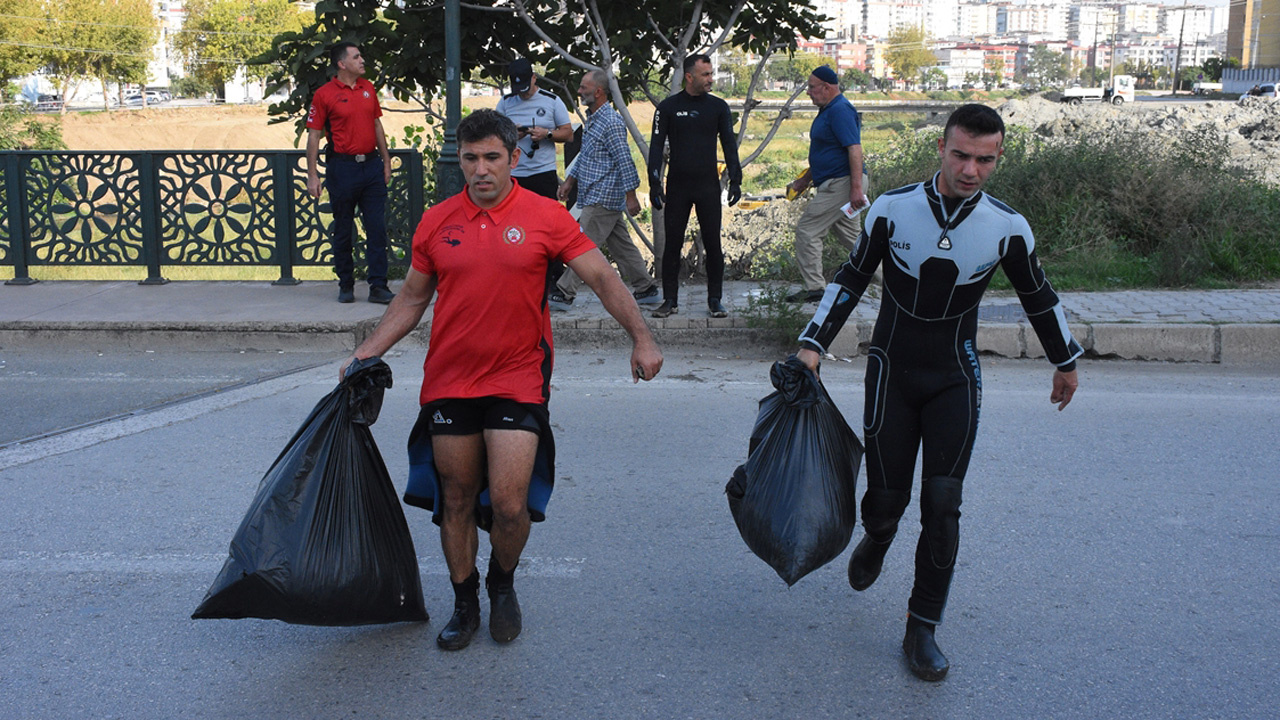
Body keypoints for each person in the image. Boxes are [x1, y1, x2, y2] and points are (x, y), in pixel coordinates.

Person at [340, 109, 663, 651]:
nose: (481, 170)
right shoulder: (438, 221)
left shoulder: (547, 217)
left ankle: (502, 583)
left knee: (510, 503)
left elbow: (603, 278)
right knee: (457, 495)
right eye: (470, 158)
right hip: (450, 379)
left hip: (518, 376)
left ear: (515, 158)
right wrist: (365, 352)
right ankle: (464, 602)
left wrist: (643, 337)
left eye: (492, 157)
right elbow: (413, 298)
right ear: (461, 161)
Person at [794, 104, 1082, 682]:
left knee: (943, 506)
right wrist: (812, 345)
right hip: (891, 374)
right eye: (961, 155)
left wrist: (1065, 361)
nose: (971, 169)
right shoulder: (893, 209)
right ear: (942, 149)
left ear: (997, 158)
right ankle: (877, 536)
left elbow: (1038, 296)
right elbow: (850, 279)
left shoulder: (1008, 226)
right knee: (887, 501)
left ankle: (921, 626)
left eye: (985, 159)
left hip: (955, 376)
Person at [549, 69, 660, 310]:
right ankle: (646, 288)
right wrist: (569, 182)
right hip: (594, 194)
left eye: (583, 88)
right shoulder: (594, 119)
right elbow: (587, 157)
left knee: (582, 246)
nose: (579, 92)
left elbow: (624, 159)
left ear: (598, 92)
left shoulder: (610, 121)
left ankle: (564, 292)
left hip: (603, 196)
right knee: (622, 245)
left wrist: (631, 195)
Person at [647, 53, 742, 319]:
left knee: (713, 244)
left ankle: (715, 300)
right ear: (689, 77)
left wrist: (735, 178)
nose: (710, 79)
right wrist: (654, 182)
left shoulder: (718, 107)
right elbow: (656, 147)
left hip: (708, 186)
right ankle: (670, 300)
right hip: (678, 185)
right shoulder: (667, 108)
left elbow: (729, 145)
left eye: (711, 74)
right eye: (705, 75)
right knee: (672, 245)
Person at [306, 41, 395, 305]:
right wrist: (312, 174)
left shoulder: (368, 88)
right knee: (344, 228)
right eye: (356, 57)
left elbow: (376, 124)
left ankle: (378, 286)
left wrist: (386, 161)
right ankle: (346, 284)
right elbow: (313, 136)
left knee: (377, 228)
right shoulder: (324, 94)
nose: (362, 60)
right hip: (342, 168)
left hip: (371, 167)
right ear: (342, 64)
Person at [785, 65, 869, 304]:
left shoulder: (840, 110)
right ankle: (897, 281)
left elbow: (854, 149)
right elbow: (827, 151)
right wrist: (804, 180)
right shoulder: (828, 110)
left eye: (812, 87)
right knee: (855, 241)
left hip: (842, 184)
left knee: (808, 230)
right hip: (840, 182)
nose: (808, 92)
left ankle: (814, 288)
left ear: (826, 87)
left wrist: (855, 189)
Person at [495, 58, 573, 200]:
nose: (523, 94)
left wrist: (547, 134)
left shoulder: (551, 100)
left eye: (526, 88)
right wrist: (512, 135)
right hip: (514, 173)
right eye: (518, 90)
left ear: (534, 78)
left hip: (543, 172)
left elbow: (568, 134)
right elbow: (494, 136)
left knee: (545, 218)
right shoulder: (506, 102)